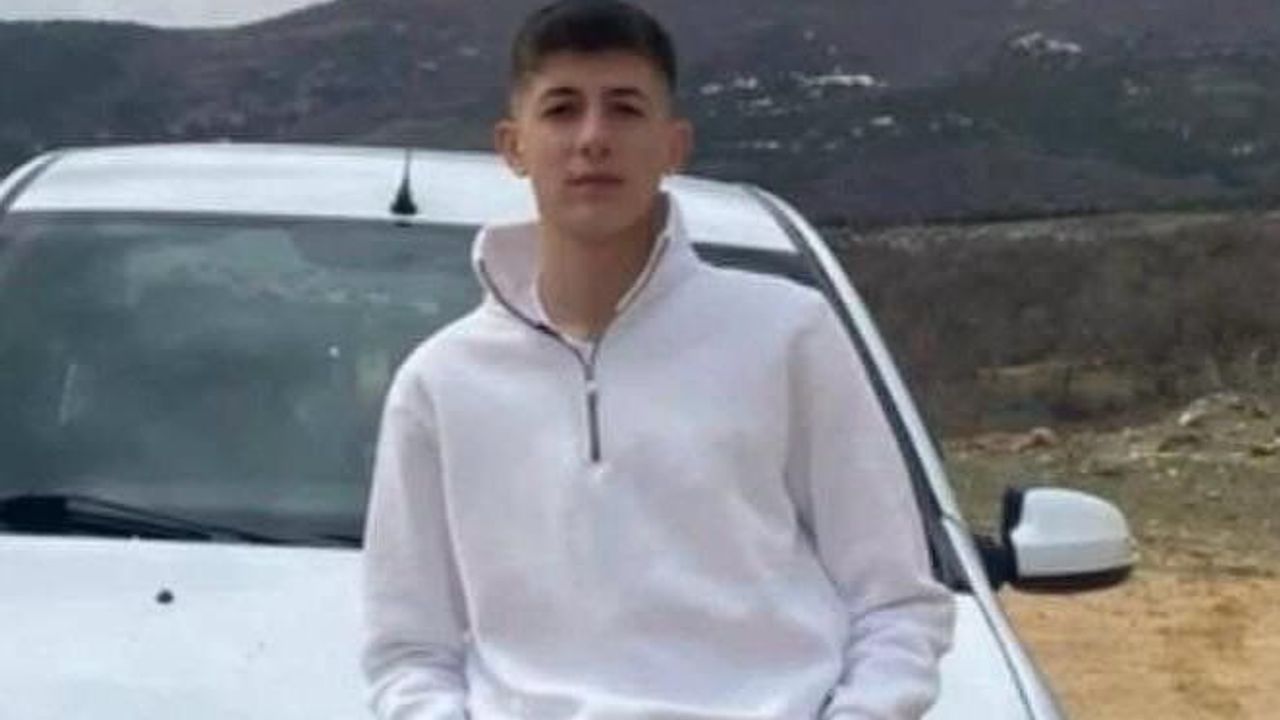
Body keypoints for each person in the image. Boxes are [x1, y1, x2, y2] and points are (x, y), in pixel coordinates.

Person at [360, 1, 955, 718]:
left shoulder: (788, 333)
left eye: (624, 108)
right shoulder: (441, 381)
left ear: (674, 145)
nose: (593, 138)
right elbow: (409, 651)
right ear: (513, 146)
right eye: (562, 109)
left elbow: (896, 603)